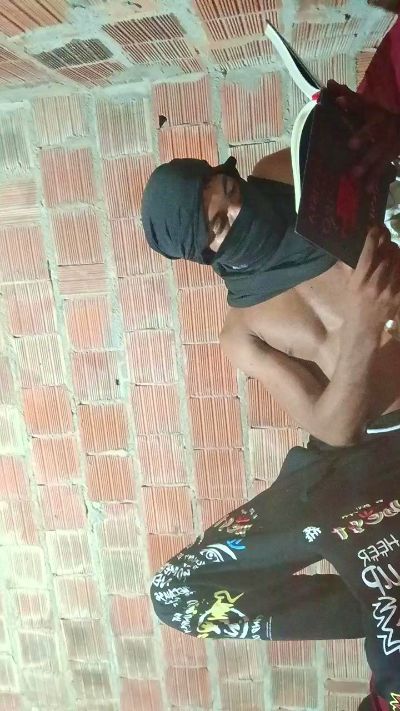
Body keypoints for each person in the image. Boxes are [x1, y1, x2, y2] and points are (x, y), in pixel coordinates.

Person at [142, 11, 400, 711]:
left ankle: (383, 601)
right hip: (370, 461)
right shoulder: (244, 334)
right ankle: (376, 600)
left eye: (224, 192)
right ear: (203, 257)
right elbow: (334, 430)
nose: (236, 214)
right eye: (218, 227)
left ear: (225, 172)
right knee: (177, 595)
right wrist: (359, 333)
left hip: (364, 498)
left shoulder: (283, 173)